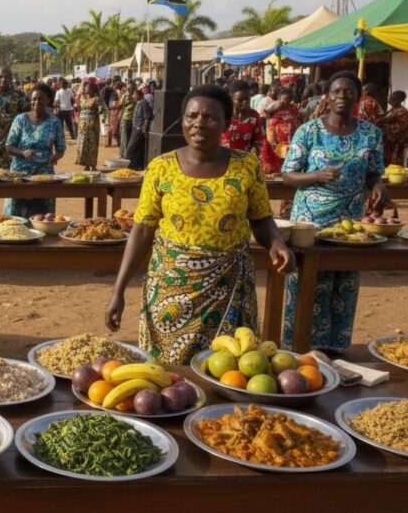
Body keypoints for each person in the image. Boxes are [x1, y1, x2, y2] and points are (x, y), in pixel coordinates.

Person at [106, 84, 293, 364]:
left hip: (229, 286)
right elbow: (143, 229)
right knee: (167, 375)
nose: (199, 124)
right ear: (182, 120)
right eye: (191, 116)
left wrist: (276, 242)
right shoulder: (160, 167)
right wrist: (118, 290)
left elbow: (261, 217)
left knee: (229, 367)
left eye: (210, 118)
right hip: (170, 289)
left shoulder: (246, 166)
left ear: (226, 124)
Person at [281, 70, 386, 355]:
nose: (342, 96)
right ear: (326, 97)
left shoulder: (371, 133)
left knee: (344, 282)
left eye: (348, 91)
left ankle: (336, 349)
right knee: (308, 283)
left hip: (350, 223)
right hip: (309, 223)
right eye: (336, 91)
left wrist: (378, 187)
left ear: (357, 96)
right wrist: (315, 175)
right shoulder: (309, 131)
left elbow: (375, 173)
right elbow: (288, 176)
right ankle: (298, 347)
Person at [4, 83, 67, 217]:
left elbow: (61, 149)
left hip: (44, 176)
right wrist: (23, 152)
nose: (36, 102)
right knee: (16, 217)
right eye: (34, 99)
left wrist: (55, 157)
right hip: (21, 176)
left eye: (40, 99)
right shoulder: (20, 120)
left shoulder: (55, 122)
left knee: (43, 218)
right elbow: (9, 146)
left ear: (48, 100)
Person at [261, 87, 301, 176]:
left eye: (289, 99)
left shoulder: (294, 110)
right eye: (285, 99)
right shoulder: (274, 107)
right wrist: (273, 144)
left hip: (293, 145)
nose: (287, 101)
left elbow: (299, 123)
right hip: (279, 146)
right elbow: (270, 127)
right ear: (280, 98)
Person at [221, 81, 266, 154]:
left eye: (247, 99)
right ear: (231, 99)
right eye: (240, 100)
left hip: (244, 160)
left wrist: (255, 148)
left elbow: (259, 139)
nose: (245, 102)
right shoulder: (223, 115)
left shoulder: (254, 116)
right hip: (223, 160)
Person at [382, 91, 408, 166]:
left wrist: (385, 127)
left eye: (392, 98)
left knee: (395, 166)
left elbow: (403, 128)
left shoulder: (403, 112)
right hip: (389, 143)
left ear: (399, 100)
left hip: (397, 144)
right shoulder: (392, 110)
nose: (389, 100)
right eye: (389, 97)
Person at [75, 82, 101, 169]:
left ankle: (93, 165)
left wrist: (99, 111)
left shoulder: (96, 99)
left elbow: (102, 109)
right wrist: (76, 105)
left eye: (88, 88)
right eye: (85, 88)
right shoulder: (82, 99)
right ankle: (86, 164)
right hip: (82, 126)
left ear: (93, 89)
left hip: (92, 125)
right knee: (83, 144)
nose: (86, 89)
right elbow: (78, 109)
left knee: (92, 145)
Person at [125, 88, 152, 170]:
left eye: (134, 94)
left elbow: (147, 116)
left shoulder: (144, 103)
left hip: (139, 129)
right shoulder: (138, 103)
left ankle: (129, 164)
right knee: (137, 148)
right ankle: (135, 166)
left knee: (131, 147)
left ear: (139, 95)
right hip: (135, 127)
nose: (133, 96)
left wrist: (144, 127)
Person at [119, 86, 137, 159]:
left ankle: (127, 153)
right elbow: (121, 105)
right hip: (126, 118)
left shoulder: (135, 96)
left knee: (130, 137)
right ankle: (124, 153)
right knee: (125, 136)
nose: (129, 90)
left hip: (133, 119)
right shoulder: (125, 96)